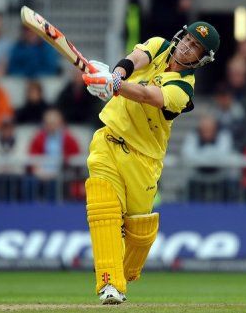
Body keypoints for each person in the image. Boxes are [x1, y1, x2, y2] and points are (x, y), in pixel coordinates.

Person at [81, 21, 220, 304]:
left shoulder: (184, 89)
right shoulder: (159, 45)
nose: (187, 46)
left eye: (195, 47)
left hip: (144, 159)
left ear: (201, 59)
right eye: (188, 39)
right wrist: (113, 75)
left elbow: (147, 96)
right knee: (103, 206)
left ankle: (125, 272)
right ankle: (110, 284)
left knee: (139, 233)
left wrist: (115, 85)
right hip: (108, 139)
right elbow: (133, 60)